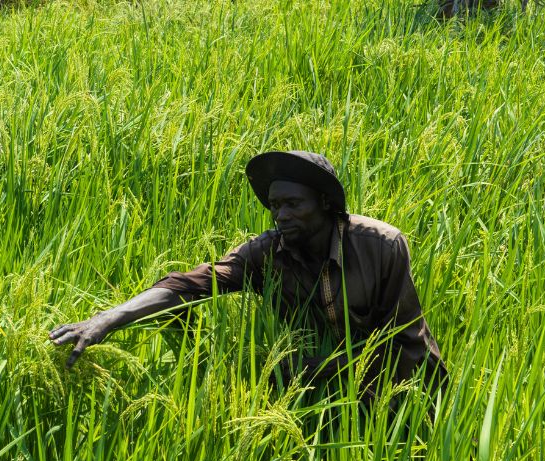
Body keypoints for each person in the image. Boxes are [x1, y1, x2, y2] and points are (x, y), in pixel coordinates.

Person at [49, 151, 446, 411]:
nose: (280, 215)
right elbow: (190, 285)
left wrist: (315, 367)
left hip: (407, 388)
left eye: (293, 204)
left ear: (325, 204)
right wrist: (109, 318)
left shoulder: (381, 247)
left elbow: (402, 347)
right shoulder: (267, 253)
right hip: (321, 397)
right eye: (275, 206)